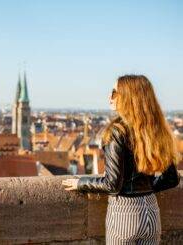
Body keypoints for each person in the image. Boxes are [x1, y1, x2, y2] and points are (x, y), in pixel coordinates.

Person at [62, 75, 181, 244]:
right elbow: (172, 179)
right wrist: (146, 187)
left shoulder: (117, 132)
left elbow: (112, 184)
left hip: (125, 214)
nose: (109, 97)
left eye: (114, 92)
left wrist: (81, 183)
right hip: (151, 212)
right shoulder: (156, 130)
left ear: (128, 97)